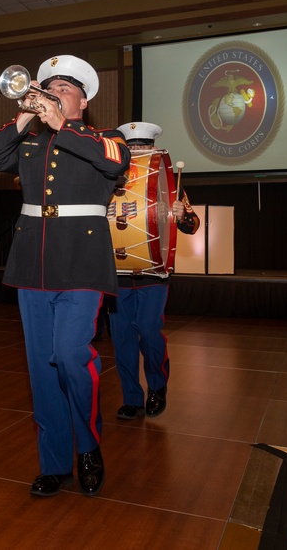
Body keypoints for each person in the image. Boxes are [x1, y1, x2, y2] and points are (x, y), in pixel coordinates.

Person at [0, 55, 130, 498]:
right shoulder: (29, 140)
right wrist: (26, 113)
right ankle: (53, 461)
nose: (52, 95)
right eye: (47, 88)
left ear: (82, 101)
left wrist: (62, 125)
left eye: (63, 89)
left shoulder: (105, 138)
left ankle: (88, 446)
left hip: (82, 262)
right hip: (32, 264)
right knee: (41, 369)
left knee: (70, 356)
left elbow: (115, 163)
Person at [108, 122, 201, 422]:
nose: (136, 152)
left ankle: (158, 387)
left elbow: (193, 224)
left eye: (142, 147)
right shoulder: (107, 176)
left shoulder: (168, 180)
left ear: (153, 150)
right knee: (121, 339)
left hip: (153, 273)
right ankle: (132, 398)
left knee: (148, 333)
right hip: (115, 273)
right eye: (131, 147)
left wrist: (181, 215)